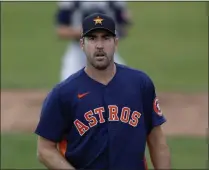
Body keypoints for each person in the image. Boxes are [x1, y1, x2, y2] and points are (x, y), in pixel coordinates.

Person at [35, 13, 171, 170]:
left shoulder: (140, 84)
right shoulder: (63, 93)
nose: (99, 45)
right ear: (82, 44)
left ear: (116, 42)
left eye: (106, 38)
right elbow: (44, 149)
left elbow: (157, 141)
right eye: (92, 38)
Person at [55, 0, 131, 81]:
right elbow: (61, 31)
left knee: (124, 83)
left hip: (108, 51)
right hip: (78, 53)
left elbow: (123, 26)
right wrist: (87, 32)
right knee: (69, 87)